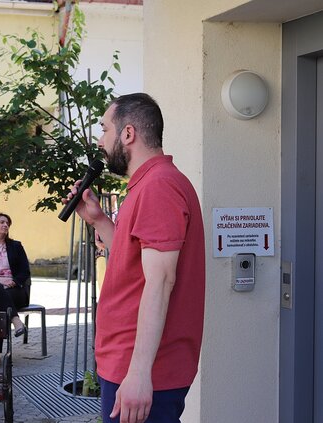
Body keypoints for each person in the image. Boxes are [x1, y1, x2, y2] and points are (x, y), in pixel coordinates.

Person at [64, 93, 205, 423]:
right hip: (131, 364)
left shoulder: (159, 187)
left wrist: (140, 373)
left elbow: (161, 280)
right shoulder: (149, 185)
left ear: (128, 134)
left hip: (143, 370)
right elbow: (138, 265)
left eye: (104, 129)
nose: (100, 141)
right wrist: (99, 220)